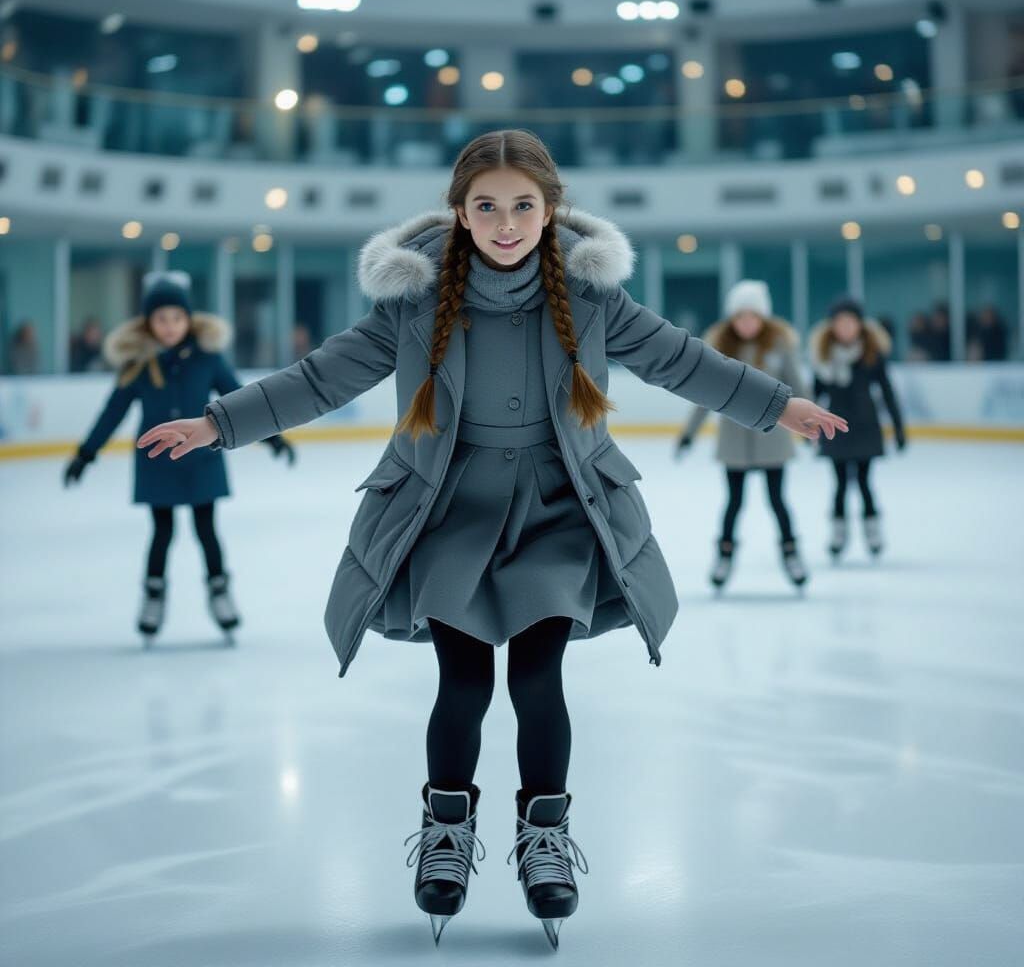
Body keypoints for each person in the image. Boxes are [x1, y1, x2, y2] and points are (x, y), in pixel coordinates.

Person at [136, 130, 846, 949]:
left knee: (539, 679)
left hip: (556, 510)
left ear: (550, 212)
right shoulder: (412, 303)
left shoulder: (590, 300)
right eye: (486, 206)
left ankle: (544, 844)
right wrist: (217, 424)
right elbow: (322, 377)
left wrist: (776, 404)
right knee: (465, 682)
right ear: (459, 212)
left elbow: (683, 361)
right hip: (450, 512)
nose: (505, 223)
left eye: (522, 205)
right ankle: (447, 834)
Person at [63, 271, 295, 642]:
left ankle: (220, 595)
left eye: (176, 318)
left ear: (188, 320)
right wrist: (85, 454)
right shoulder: (137, 364)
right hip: (157, 461)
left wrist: (272, 438)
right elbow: (113, 411)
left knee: (207, 529)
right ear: (149, 323)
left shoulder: (208, 358)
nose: (169, 326)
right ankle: (153, 597)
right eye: (161, 319)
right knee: (162, 531)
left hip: (202, 458)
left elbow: (238, 399)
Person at [676, 280, 810, 590]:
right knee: (734, 502)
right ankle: (724, 554)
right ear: (732, 319)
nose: (746, 322)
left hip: (773, 440)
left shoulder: (779, 348)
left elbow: (798, 390)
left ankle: (791, 553)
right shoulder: (721, 352)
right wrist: (689, 435)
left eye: (752, 316)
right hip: (734, 443)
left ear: (763, 318)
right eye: (740, 316)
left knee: (777, 500)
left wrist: (809, 427)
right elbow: (704, 396)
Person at [811, 296, 905, 560]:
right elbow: (814, 396)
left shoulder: (871, 355)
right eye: (840, 323)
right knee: (840, 484)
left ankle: (872, 530)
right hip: (834, 428)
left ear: (860, 325)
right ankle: (838, 533)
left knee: (864, 482)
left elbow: (887, 392)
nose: (845, 328)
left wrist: (898, 428)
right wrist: (808, 428)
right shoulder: (824, 357)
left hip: (865, 427)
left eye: (850, 322)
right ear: (832, 327)